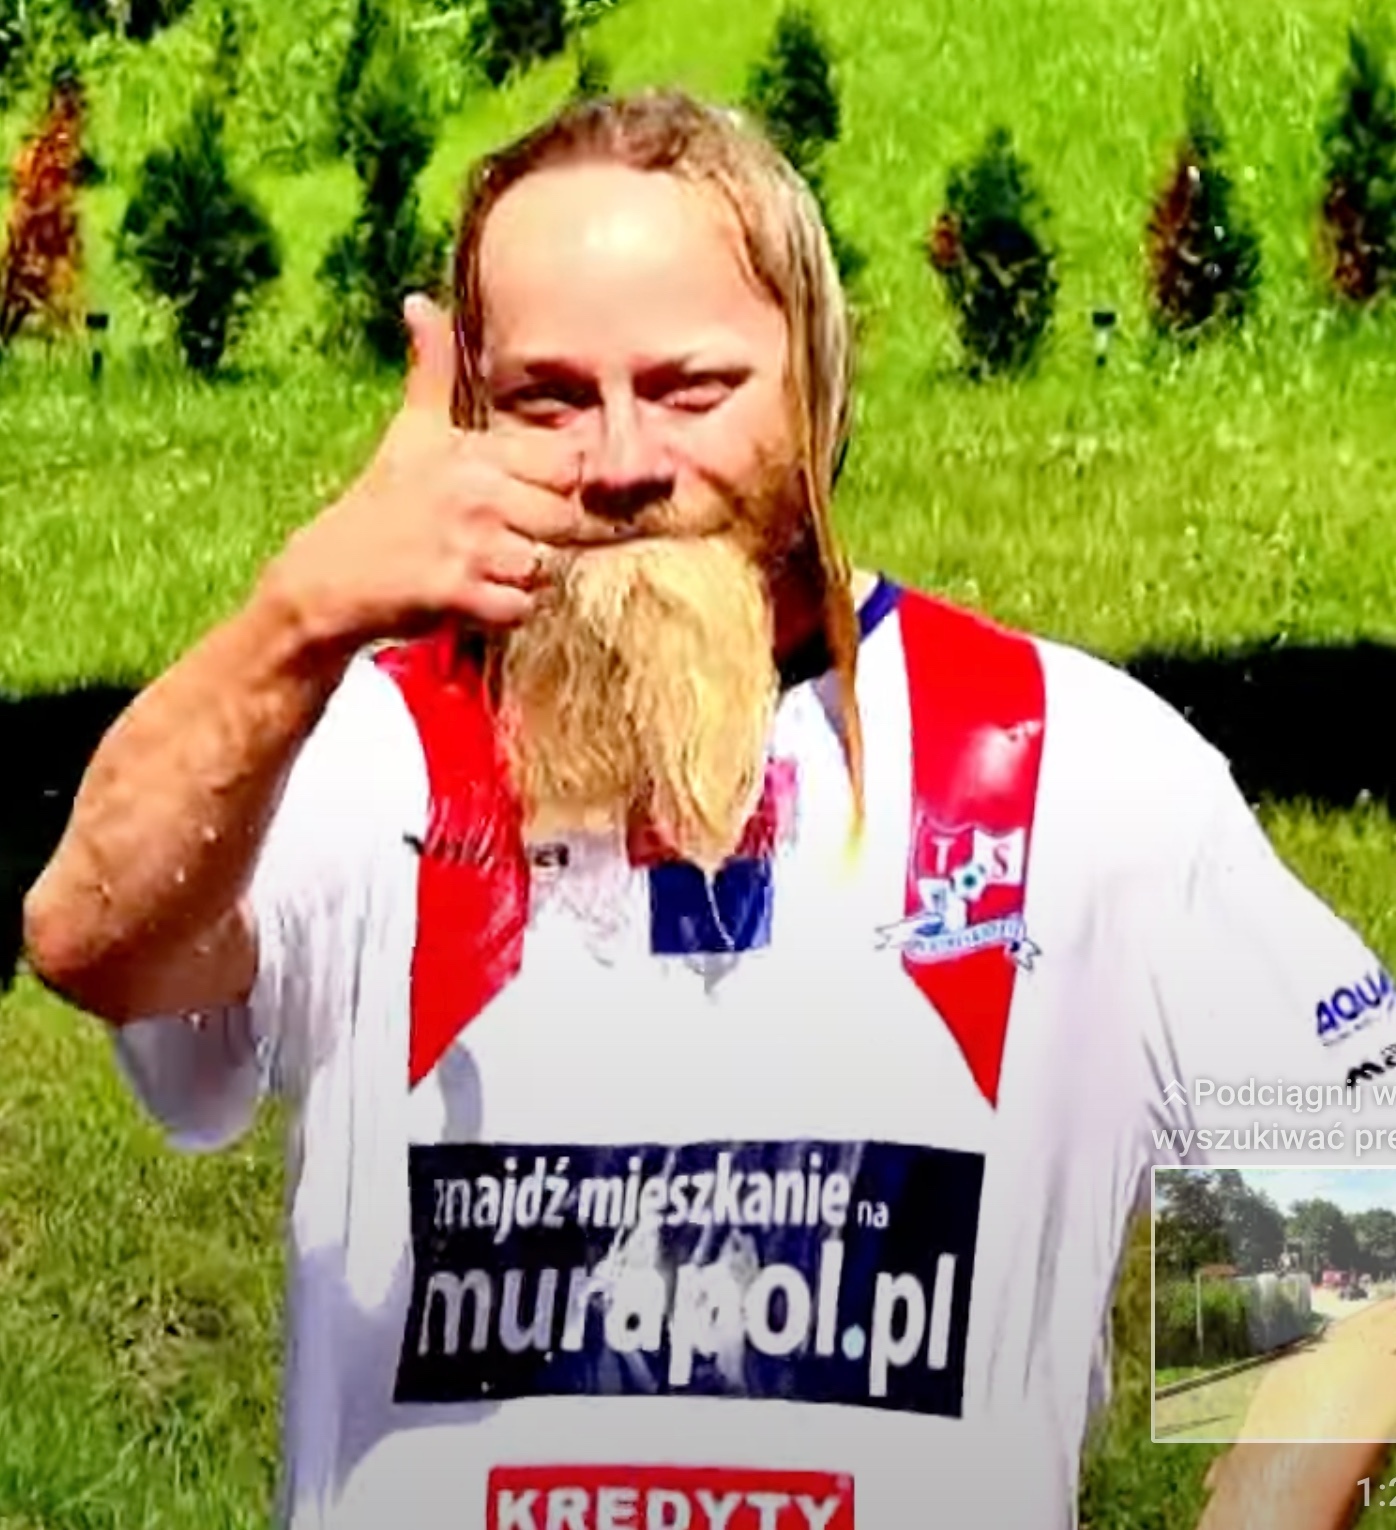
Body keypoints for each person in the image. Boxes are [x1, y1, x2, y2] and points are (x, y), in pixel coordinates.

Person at [20, 88, 1396, 1530]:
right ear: (471, 410)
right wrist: (301, 615)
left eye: (690, 389)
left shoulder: (1065, 760)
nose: (622, 462)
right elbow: (92, 941)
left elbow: (1355, 1204)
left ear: (821, 382)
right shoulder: (372, 748)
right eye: (550, 399)